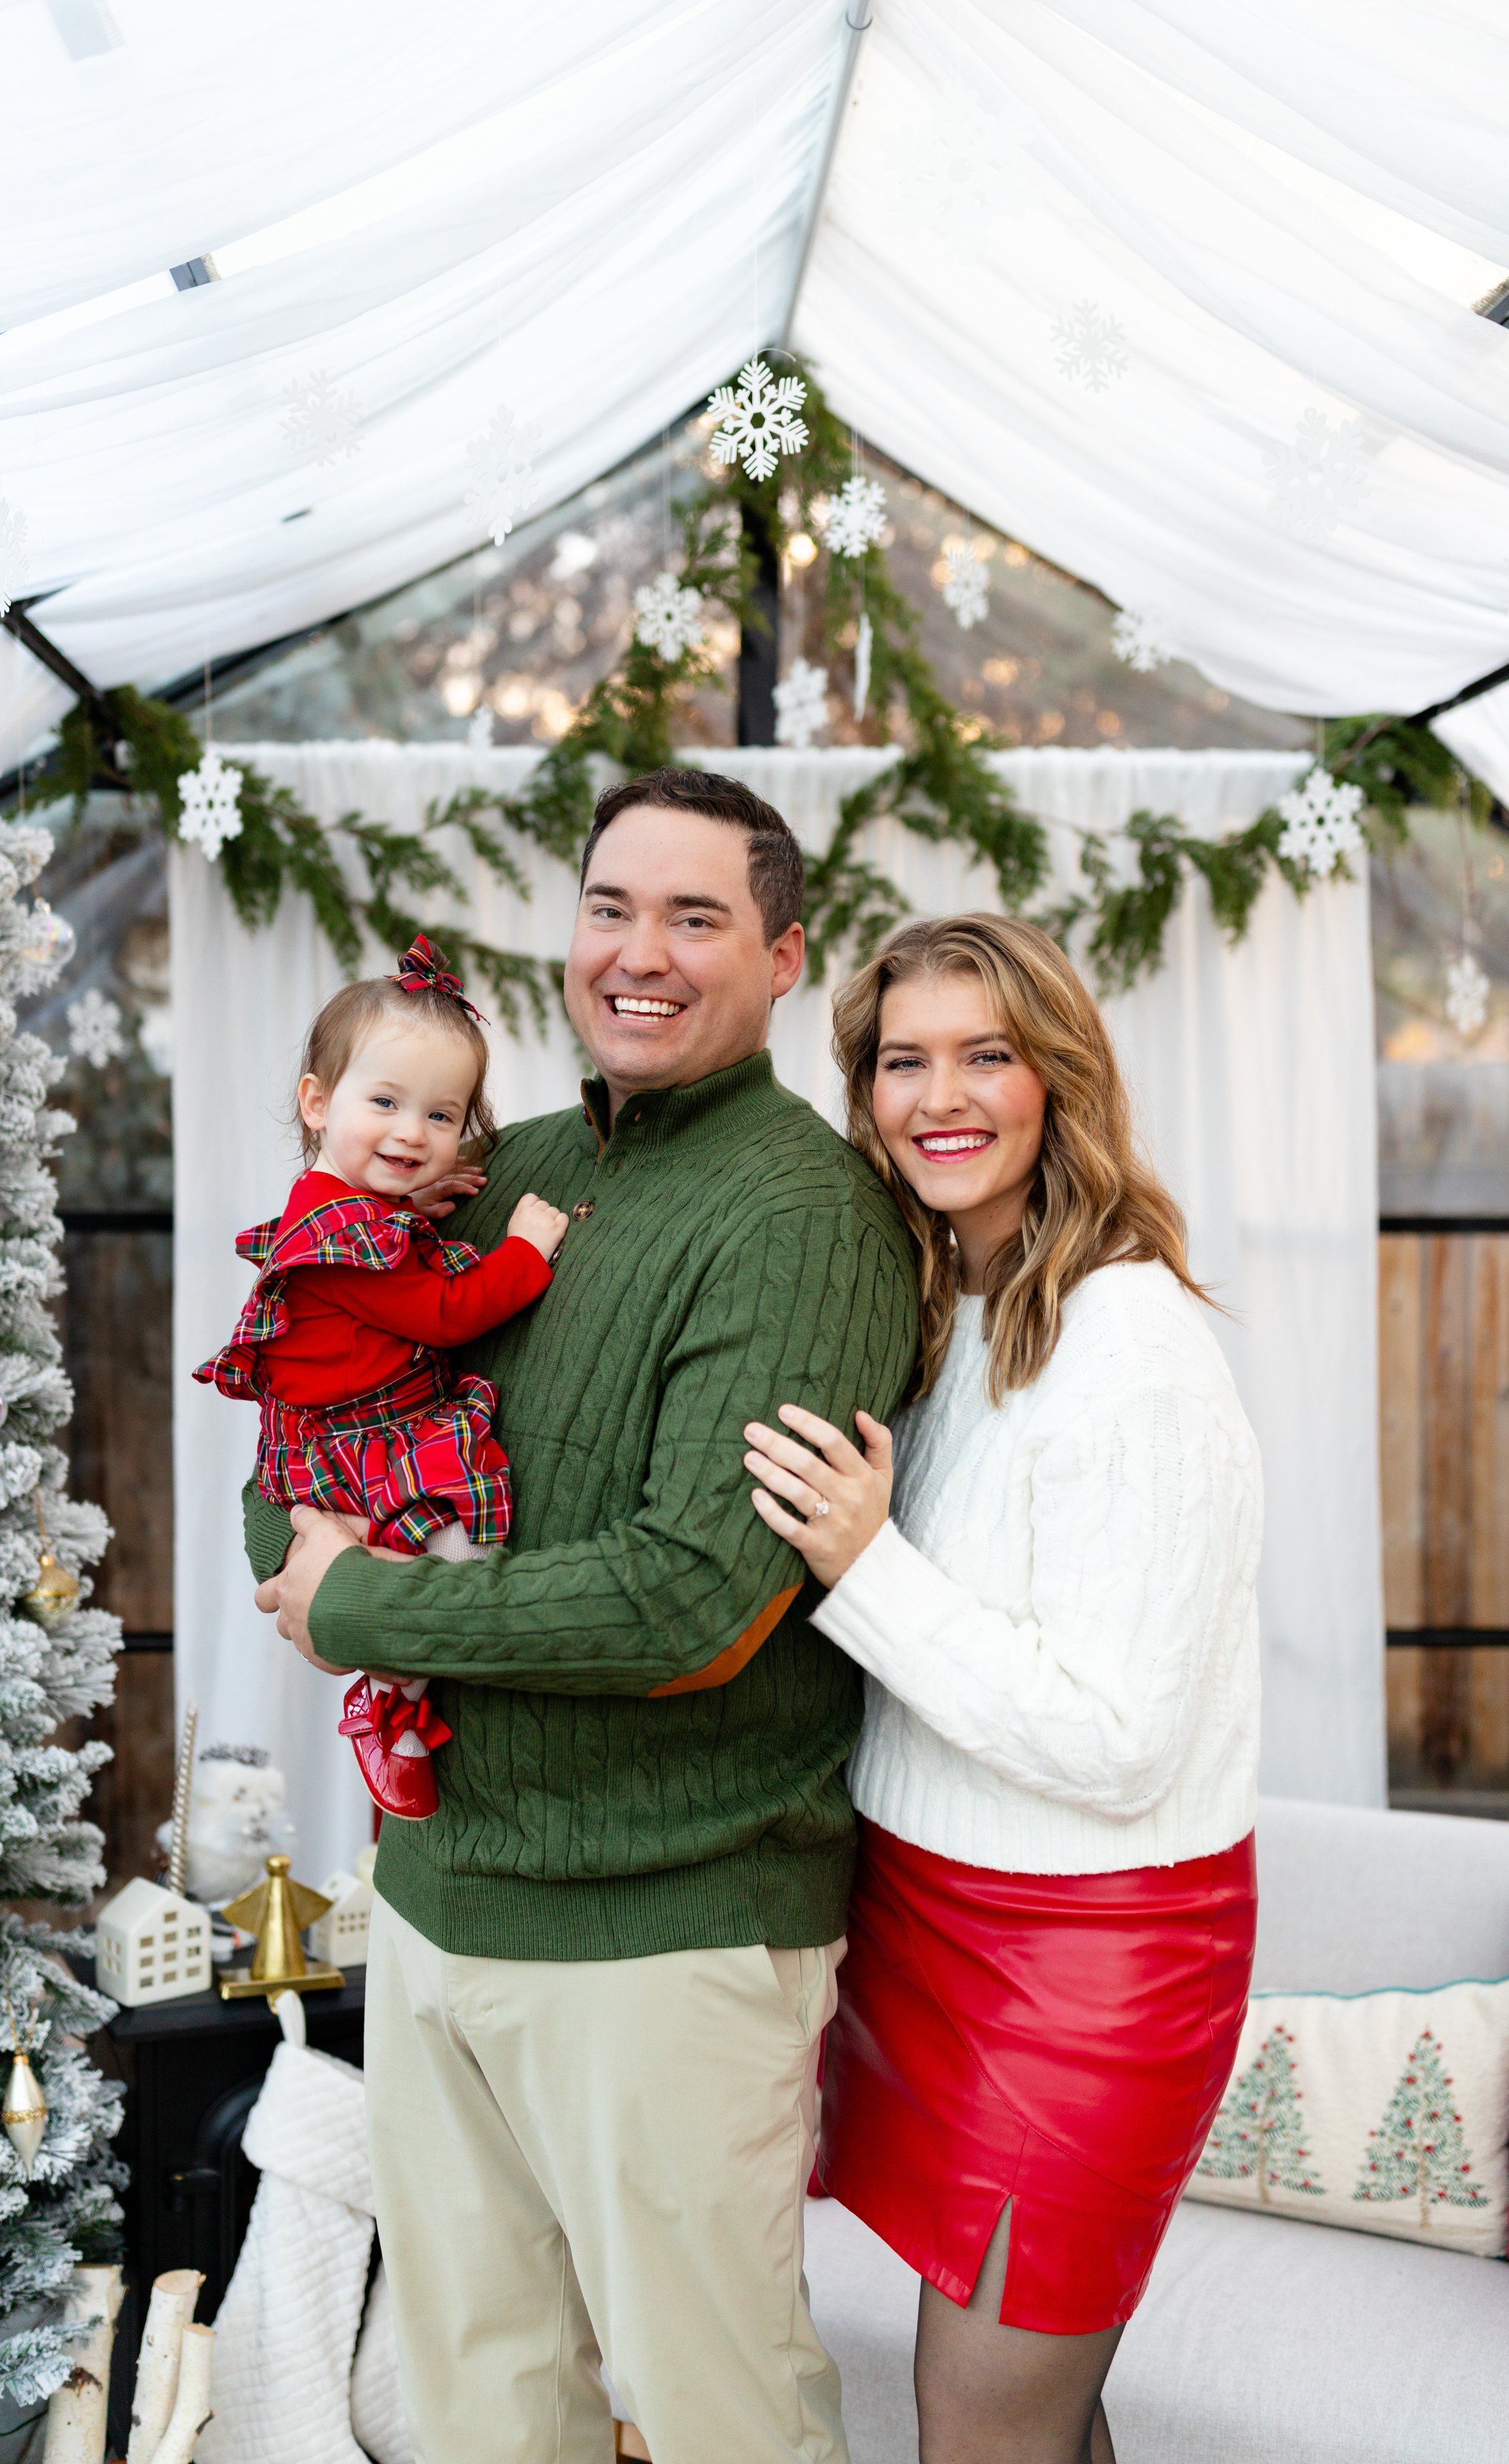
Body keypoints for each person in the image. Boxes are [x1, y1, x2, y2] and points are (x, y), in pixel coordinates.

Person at [253, 768, 920, 2464]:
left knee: (722, 2416)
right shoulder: (497, 1170)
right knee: (475, 2407)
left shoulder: (804, 1212)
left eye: (695, 916)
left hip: (667, 1934)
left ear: (780, 955)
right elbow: (299, 1412)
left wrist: (357, 1592)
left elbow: (687, 1595)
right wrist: (311, 1560)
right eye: (610, 907)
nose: (640, 951)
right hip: (434, 1903)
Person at [741, 913, 1262, 2464]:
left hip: (1087, 1965)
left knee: (979, 2436)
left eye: (986, 1053)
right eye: (905, 1059)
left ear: (1058, 1079)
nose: (939, 1094)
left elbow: (1116, 1739)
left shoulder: (1132, 1343)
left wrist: (862, 1568)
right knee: (1036, 2419)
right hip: (921, 1926)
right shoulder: (939, 1307)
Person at [195, 935, 567, 1818]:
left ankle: (394, 1695)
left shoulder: (343, 1207)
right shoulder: (344, 1238)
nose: (413, 1131)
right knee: (462, 1545)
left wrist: (416, 1207)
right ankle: (390, 1698)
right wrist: (525, 1250)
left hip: (347, 1433)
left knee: (432, 1552)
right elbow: (444, 1314)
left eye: (443, 1116)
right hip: (356, 1446)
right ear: (318, 1102)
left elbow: (388, 1251)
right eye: (386, 1101)